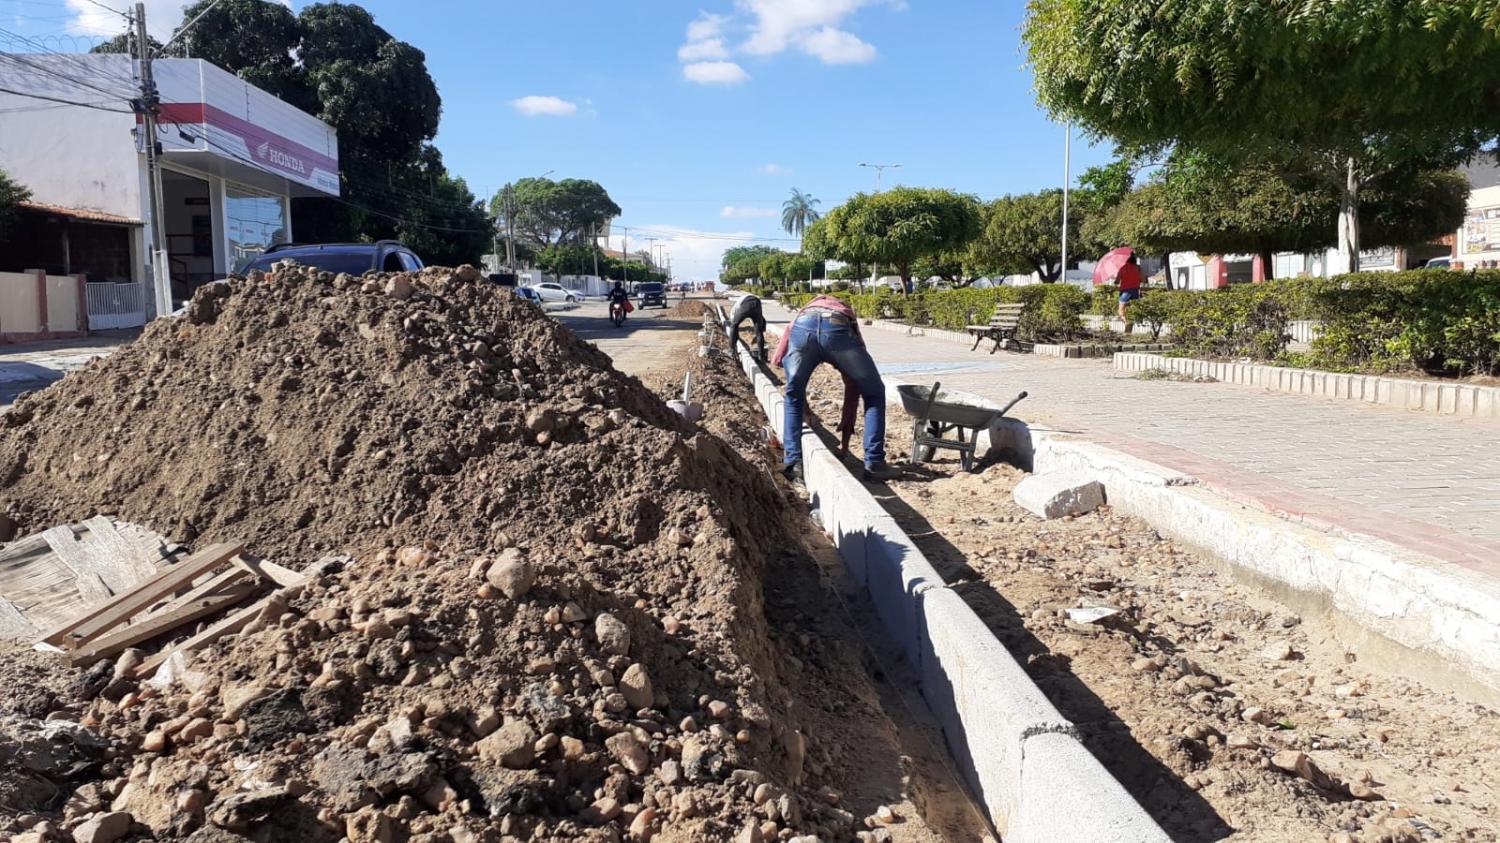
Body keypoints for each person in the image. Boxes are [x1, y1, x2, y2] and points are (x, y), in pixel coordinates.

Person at [772, 295, 900, 483]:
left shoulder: (800, 316)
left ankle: (793, 463)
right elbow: (854, 387)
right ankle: (874, 463)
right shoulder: (846, 314)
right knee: (874, 394)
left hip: (802, 329)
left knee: (792, 397)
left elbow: (777, 361)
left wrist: (802, 402)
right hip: (837, 329)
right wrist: (845, 439)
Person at [726, 294, 768, 362]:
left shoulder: (735, 308)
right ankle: (761, 356)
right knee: (759, 331)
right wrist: (761, 328)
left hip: (746, 304)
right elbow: (763, 320)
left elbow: (734, 323)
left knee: (734, 325)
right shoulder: (743, 299)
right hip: (757, 303)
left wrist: (734, 334)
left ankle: (731, 350)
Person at [1116, 253, 1143, 329]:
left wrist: (1119, 279)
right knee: (1133, 308)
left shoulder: (1123, 268)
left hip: (1125, 292)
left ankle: (1126, 322)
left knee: (1121, 309)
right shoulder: (1138, 268)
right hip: (1135, 291)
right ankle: (1132, 323)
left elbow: (1117, 281)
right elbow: (1143, 279)